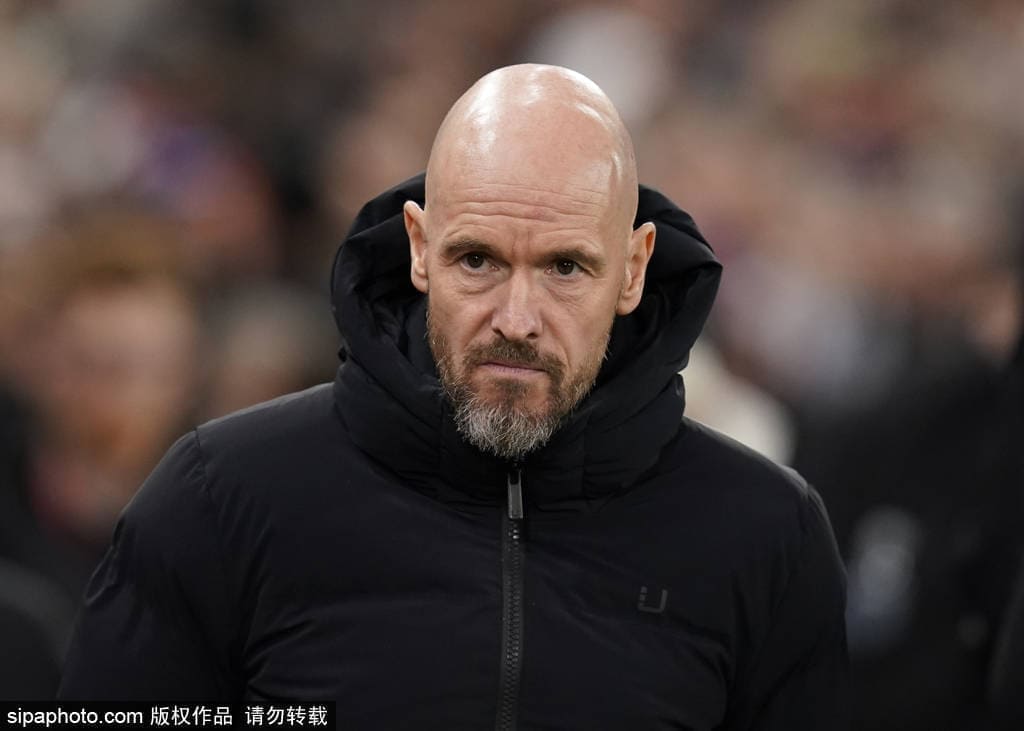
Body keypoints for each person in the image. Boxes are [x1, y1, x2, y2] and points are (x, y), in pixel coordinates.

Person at [59, 64, 848, 729]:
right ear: (419, 246)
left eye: (565, 268)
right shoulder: (220, 499)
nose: (516, 319)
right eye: (478, 260)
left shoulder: (765, 536)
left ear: (634, 268)